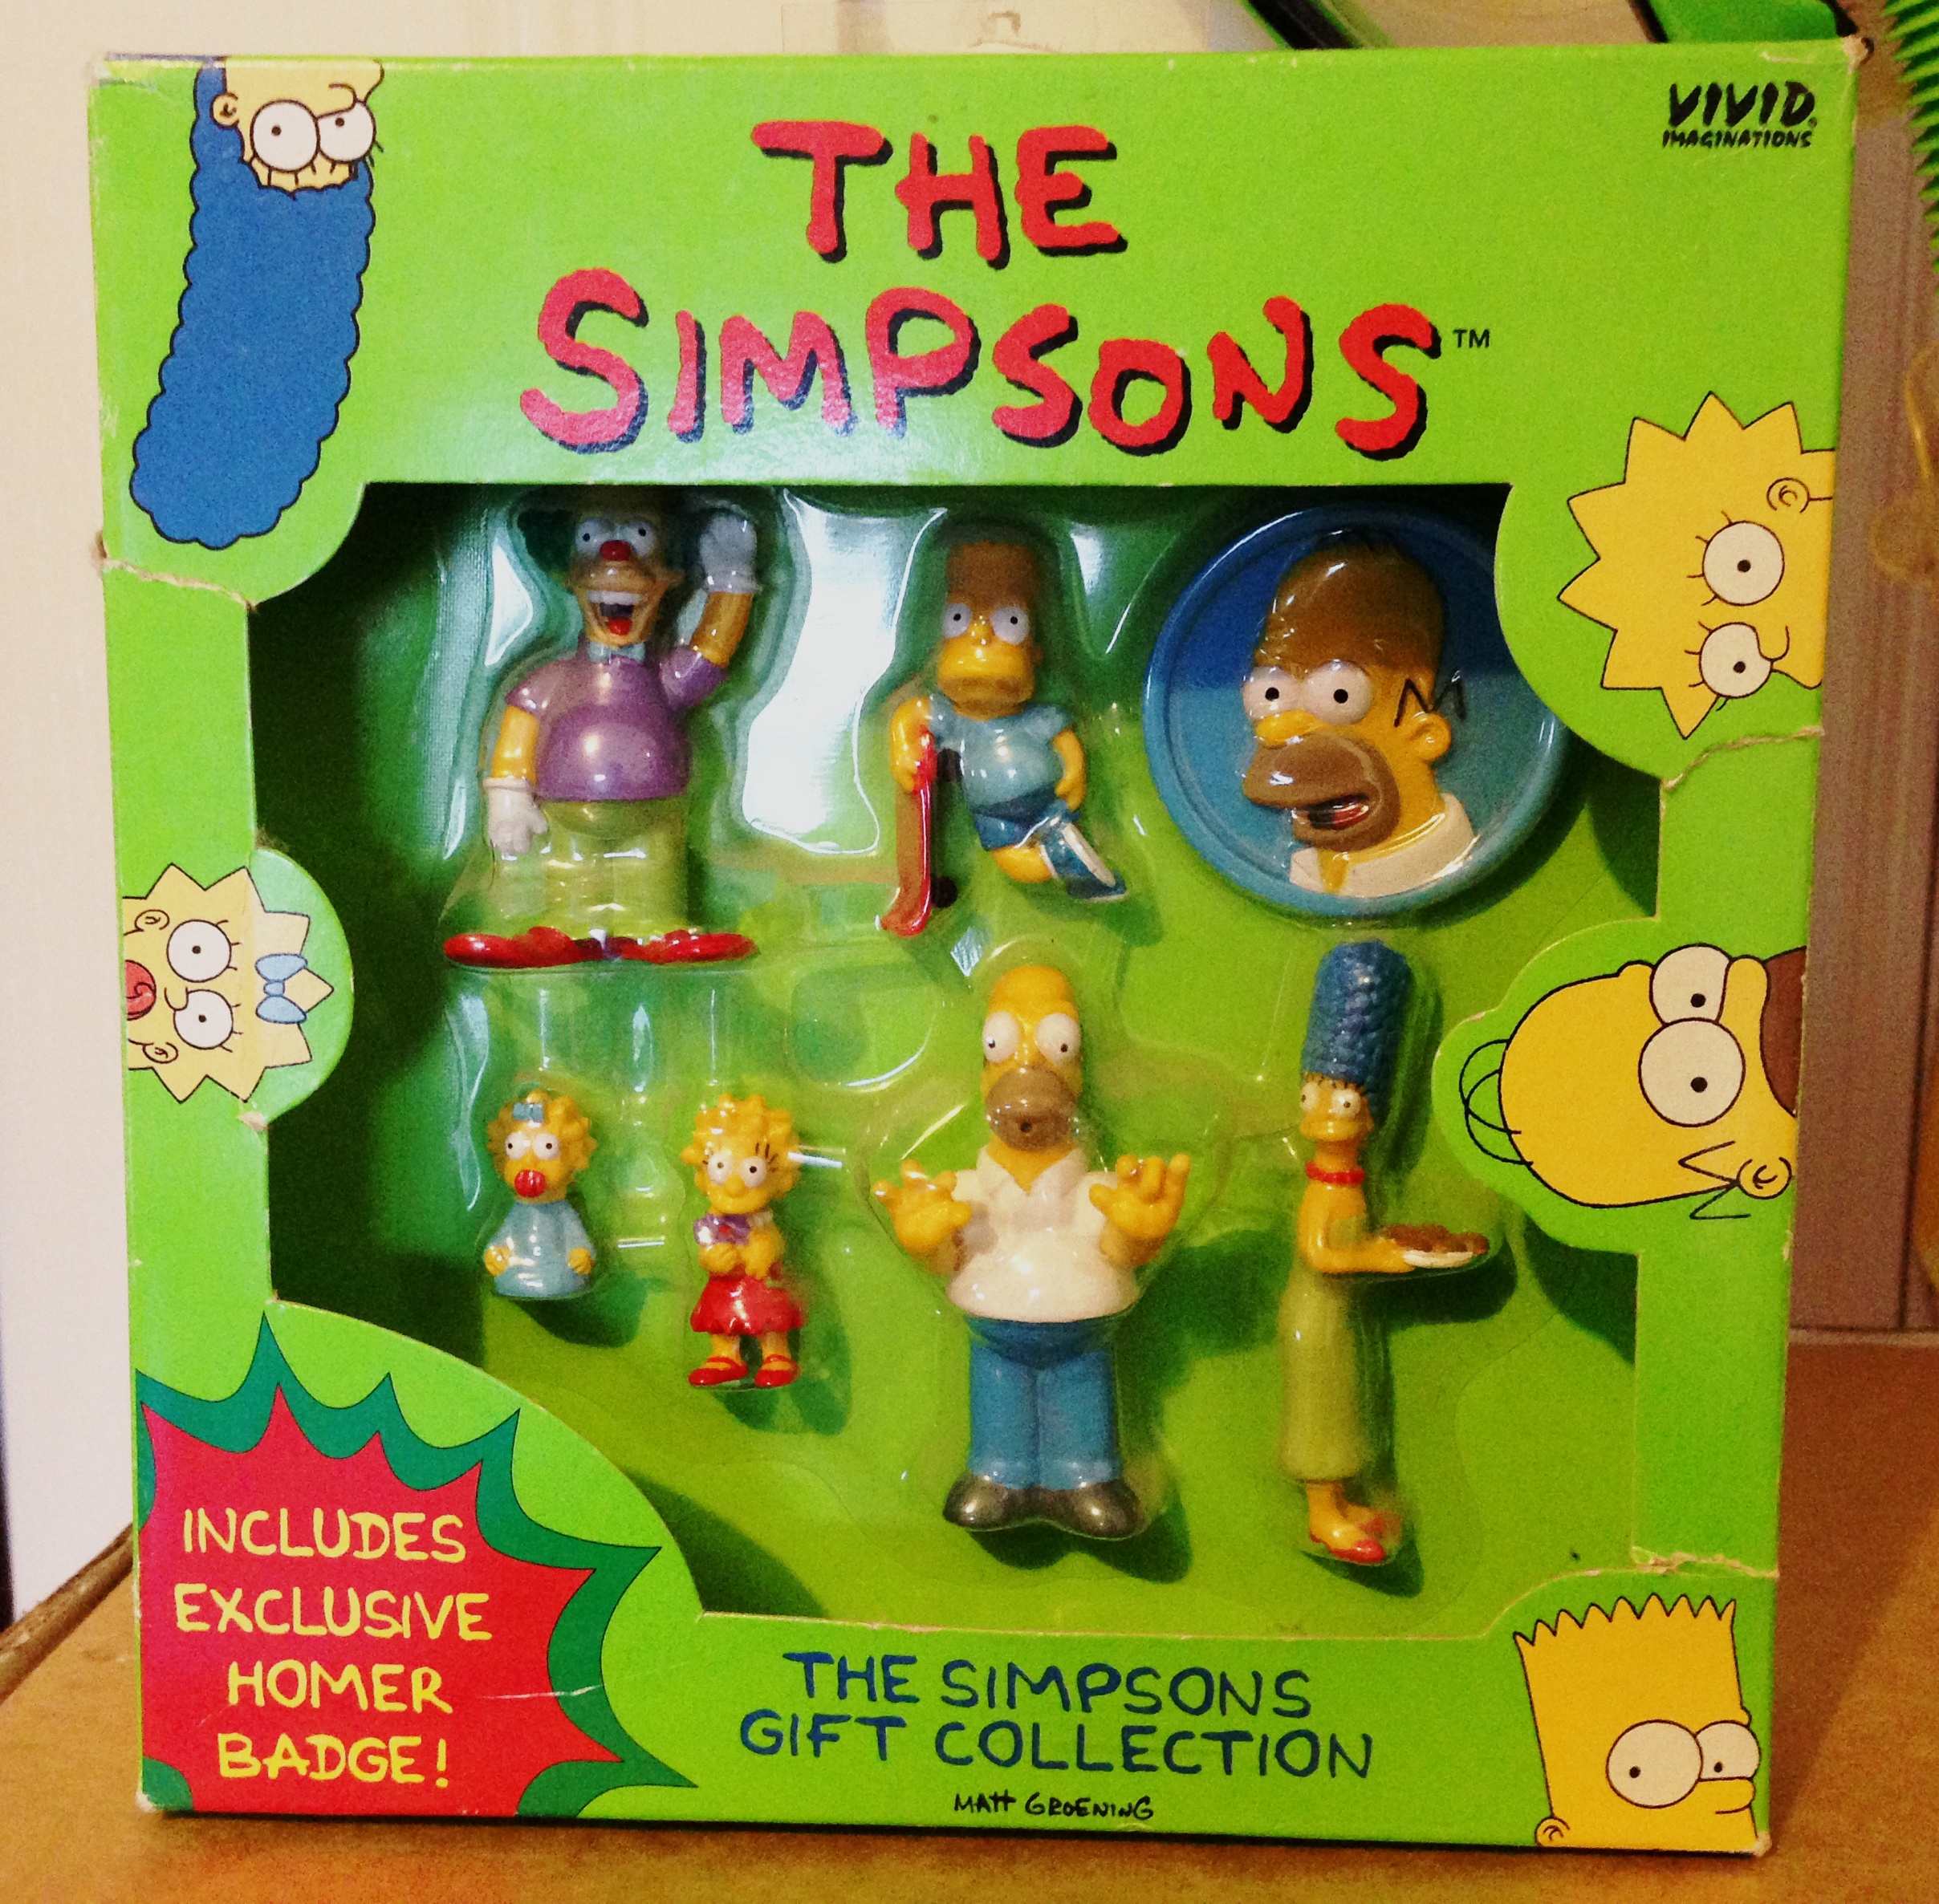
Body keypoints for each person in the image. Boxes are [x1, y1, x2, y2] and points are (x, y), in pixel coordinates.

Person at [873, 964, 1189, 1539]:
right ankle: (999, 1473)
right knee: (998, 1388)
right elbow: (947, 1257)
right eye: (1002, 1045)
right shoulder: (964, 1190)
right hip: (995, 1324)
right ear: (984, 1067)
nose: (1028, 1079)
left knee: (1081, 1385)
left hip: (1081, 1329)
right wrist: (925, 1241)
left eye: (1056, 1045)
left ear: (1078, 1066)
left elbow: (1117, 1247)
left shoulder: (1097, 1187)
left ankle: (1085, 1477)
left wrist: (1142, 1233)